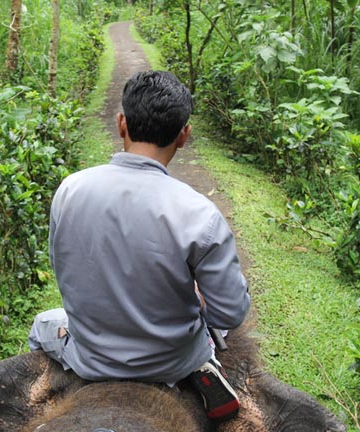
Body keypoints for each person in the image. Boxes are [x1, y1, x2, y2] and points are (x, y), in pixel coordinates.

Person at [28, 70, 250, 421]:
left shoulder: (70, 189)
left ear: (121, 124)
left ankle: (58, 386)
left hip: (92, 357)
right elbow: (229, 314)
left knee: (43, 323)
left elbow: (64, 271)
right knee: (211, 326)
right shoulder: (201, 214)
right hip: (174, 360)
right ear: (183, 136)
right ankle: (202, 369)